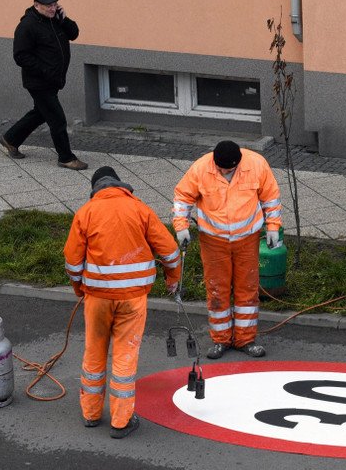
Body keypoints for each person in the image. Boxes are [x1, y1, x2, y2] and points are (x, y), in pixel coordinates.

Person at [64, 166, 180, 438]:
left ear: (95, 189)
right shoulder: (140, 209)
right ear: (120, 185)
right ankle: (121, 420)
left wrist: (79, 288)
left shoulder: (86, 212)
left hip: (97, 298)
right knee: (125, 357)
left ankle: (91, 413)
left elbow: (72, 260)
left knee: (94, 351)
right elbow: (170, 251)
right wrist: (172, 279)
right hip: (132, 299)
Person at [172, 140, 282, 359]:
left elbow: (271, 198)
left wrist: (273, 228)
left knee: (247, 289)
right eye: (221, 169)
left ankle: (245, 339)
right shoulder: (201, 168)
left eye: (228, 170)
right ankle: (220, 339)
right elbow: (182, 198)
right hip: (213, 240)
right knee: (216, 290)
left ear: (238, 163)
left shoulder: (256, 164)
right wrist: (181, 226)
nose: (224, 172)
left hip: (247, 238)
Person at [0, 0, 87, 171]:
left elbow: (74, 34)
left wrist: (64, 19)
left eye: (55, 5)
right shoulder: (27, 26)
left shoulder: (56, 19)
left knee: (40, 113)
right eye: (49, 6)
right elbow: (20, 56)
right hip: (39, 82)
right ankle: (66, 157)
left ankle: (11, 139)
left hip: (53, 79)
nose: (53, 8)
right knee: (57, 119)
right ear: (36, 5)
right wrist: (45, 70)